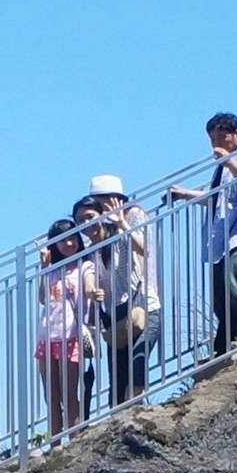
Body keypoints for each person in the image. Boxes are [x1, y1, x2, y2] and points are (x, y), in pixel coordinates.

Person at [167, 112, 237, 353]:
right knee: (220, 293)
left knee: (235, 283)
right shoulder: (222, 168)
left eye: (223, 138)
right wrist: (184, 194)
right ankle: (225, 342)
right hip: (220, 239)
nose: (217, 145)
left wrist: (230, 163)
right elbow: (215, 196)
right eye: (213, 140)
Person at [83, 173, 160, 406]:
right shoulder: (96, 240)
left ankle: (134, 414)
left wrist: (121, 223)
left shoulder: (132, 215)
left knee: (137, 362)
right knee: (117, 378)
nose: (103, 207)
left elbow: (144, 248)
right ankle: (120, 420)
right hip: (116, 313)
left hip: (144, 303)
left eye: (105, 200)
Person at [34, 216, 98, 440]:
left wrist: (92, 292)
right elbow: (43, 297)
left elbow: (89, 284)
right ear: (55, 244)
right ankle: (55, 443)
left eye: (72, 239)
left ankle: (75, 438)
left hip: (70, 335)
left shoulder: (84, 265)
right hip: (46, 336)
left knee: (69, 393)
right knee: (50, 396)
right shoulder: (52, 269)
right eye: (63, 240)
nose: (69, 244)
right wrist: (44, 266)